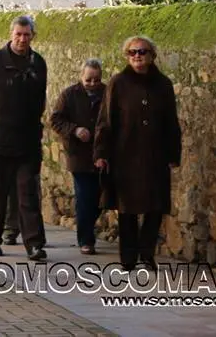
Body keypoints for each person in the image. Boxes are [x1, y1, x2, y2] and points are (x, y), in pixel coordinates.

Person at [95, 37, 181, 270]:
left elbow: (171, 122)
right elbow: (105, 120)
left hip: (155, 155)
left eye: (142, 52)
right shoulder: (118, 83)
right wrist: (101, 153)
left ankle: (147, 253)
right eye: (132, 52)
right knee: (127, 209)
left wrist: (173, 153)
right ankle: (128, 257)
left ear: (152, 55)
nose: (137, 56)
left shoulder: (163, 84)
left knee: (155, 207)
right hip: (125, 156)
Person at [0, 15, 49, 260]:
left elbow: (40, 100)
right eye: (18, 34)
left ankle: (34, 244)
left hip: (27, 142)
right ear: (11, 34)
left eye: (26, 35)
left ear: (33, 36)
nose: (22, 39)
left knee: (28, 194)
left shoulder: (38, 63)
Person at [51, 59, 106, 254]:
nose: (92, 83)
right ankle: (86, 240)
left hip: (102, 154)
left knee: (101, 197)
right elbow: (56, 119)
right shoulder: (69, 94)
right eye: (88, 79)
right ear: (81, 76)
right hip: (79, 156)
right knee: (84, 198)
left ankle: (87, 229)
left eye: (96, 79)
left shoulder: (107, 93)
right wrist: (75, 130)